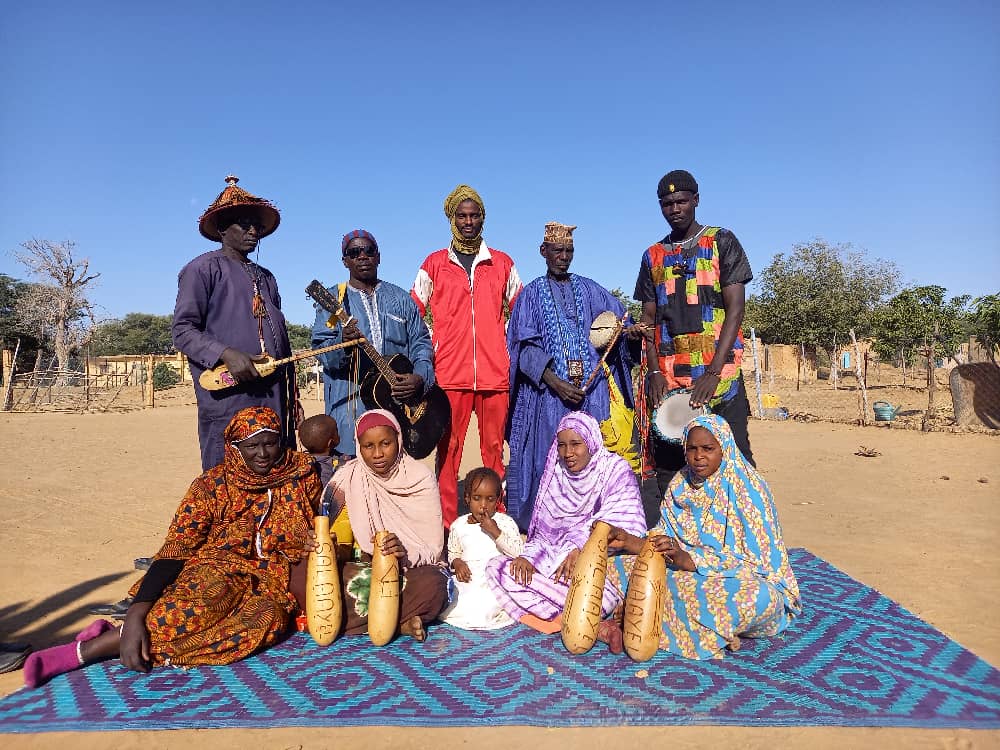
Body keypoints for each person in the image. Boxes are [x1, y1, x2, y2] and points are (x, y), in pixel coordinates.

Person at [23, 406, 321, 688]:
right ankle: (84, 652)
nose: (263, 454)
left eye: (270, 444)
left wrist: (310, 536)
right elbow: (176, 548)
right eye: (251, 446)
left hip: (270, 580)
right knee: (197, 608)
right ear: (234, 447)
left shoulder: (300, 475)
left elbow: (317, 521)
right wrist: (136, 612)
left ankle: (115, 638)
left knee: (266, 621)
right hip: (218, 568)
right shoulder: (212, 486)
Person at [606, 414, 801, 659]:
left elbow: (759, 565)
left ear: (724, 448)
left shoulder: (749, 489)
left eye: (708, 449)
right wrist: (629, 541)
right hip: (683, 576)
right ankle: (695, 624)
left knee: (759, 598)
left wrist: (690, 560)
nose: (699, 456)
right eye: (692, 449)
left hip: (734, 580)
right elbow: (663, 537)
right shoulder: (681, 483)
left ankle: (640, 615)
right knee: (615, 565)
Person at [505, 221, 644, 530]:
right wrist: (556, 383)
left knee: (594, 457)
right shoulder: (530, 295)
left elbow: (620, 322)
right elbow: (523, 348)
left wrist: (629, 333)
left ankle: (597, 521)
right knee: (550, 457)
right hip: (549, 397)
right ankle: (547, 523)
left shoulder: (591, 290)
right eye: (557, 251)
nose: (564, 257)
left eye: (569, 251)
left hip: (592, 395)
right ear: (543, 251)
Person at [634, 169, 756, 495]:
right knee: (670, 470)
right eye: (667, 204)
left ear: (696, 200)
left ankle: (740, 528)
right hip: (670, 379)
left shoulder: (721, 242)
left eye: (681, 201)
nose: (674, 209)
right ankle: (676, 525)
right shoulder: (653, 256)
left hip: (719, 377)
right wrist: (654, 372)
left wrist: (713, 373)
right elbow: (648, 319)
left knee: (735, 462)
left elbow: (735, 310)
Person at [485, 412, 646, 652]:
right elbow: (543, 535)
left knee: (596, 594)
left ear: (590, 441)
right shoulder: (556, 473)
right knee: (497, 568)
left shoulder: (614, 470)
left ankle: (579, 616)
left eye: (575, 444)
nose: (568, 453)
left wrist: (581, 548)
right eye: (561, 445)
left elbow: (624, 522)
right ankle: (584, 623)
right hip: (555, 564)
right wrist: (528, 559)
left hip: (601, 568)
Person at [411, 185, 522, 528]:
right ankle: (447, 524)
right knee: (449, 452)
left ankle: (496, 520)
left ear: (483, 218)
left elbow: (521, 311)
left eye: (474, 215)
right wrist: (434, 343)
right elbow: (413, 312)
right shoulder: (434, 264)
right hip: (449, 375)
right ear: (452, 219)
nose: (468, 222)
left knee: (494, 451)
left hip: (494, 375)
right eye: (462, 216)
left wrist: (504, 345)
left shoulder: (502, 263)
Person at [173, 176, 297, 471]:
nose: (253, 231)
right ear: (222, 229)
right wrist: (226, 353)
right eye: (244, 224)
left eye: (257, 226)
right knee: (227, 473)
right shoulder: (201, 269)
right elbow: (182, 330)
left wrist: (292, 397)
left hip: (273, 395)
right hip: (229, 395)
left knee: (275, 472)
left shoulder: (267, 277)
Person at [326, 410, 448, 642]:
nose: (378, 454)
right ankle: (398, 622)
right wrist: (329, 548)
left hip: (408, 571)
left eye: (385, 444)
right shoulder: (347, 478)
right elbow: (338, 541)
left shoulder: (420, 478)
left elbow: (433, 549)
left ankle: (362, 622)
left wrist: (403, 552)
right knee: (303, 574)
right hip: (361, 569)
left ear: (398, 440)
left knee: (435, 586)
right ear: (358, 447)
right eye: (368, 446)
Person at [312, 229, 435, 456]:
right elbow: (321, 351)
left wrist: (419, 377)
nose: (362, 256)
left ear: (378, 257)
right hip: (350, 408)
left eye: (369, 251)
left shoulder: (401, 299)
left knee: (394, 468)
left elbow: (421, 343)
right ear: (345, 261)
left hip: (397, 408)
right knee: (351, 469)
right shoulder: (334, 300)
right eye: (354, 252)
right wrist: (342, 342)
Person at [440, 468, 523, 630]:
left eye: (490, 499)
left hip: (495, 581)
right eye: (477, 498)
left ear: (498, 499)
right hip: (469, 580)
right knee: (455, 601)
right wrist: (457, 563)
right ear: (467, 498)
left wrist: (495, 531)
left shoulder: (504, 522)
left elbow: (518, 552)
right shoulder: (459, 525)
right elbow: (453, 551)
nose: (483, 506)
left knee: (488, 605)